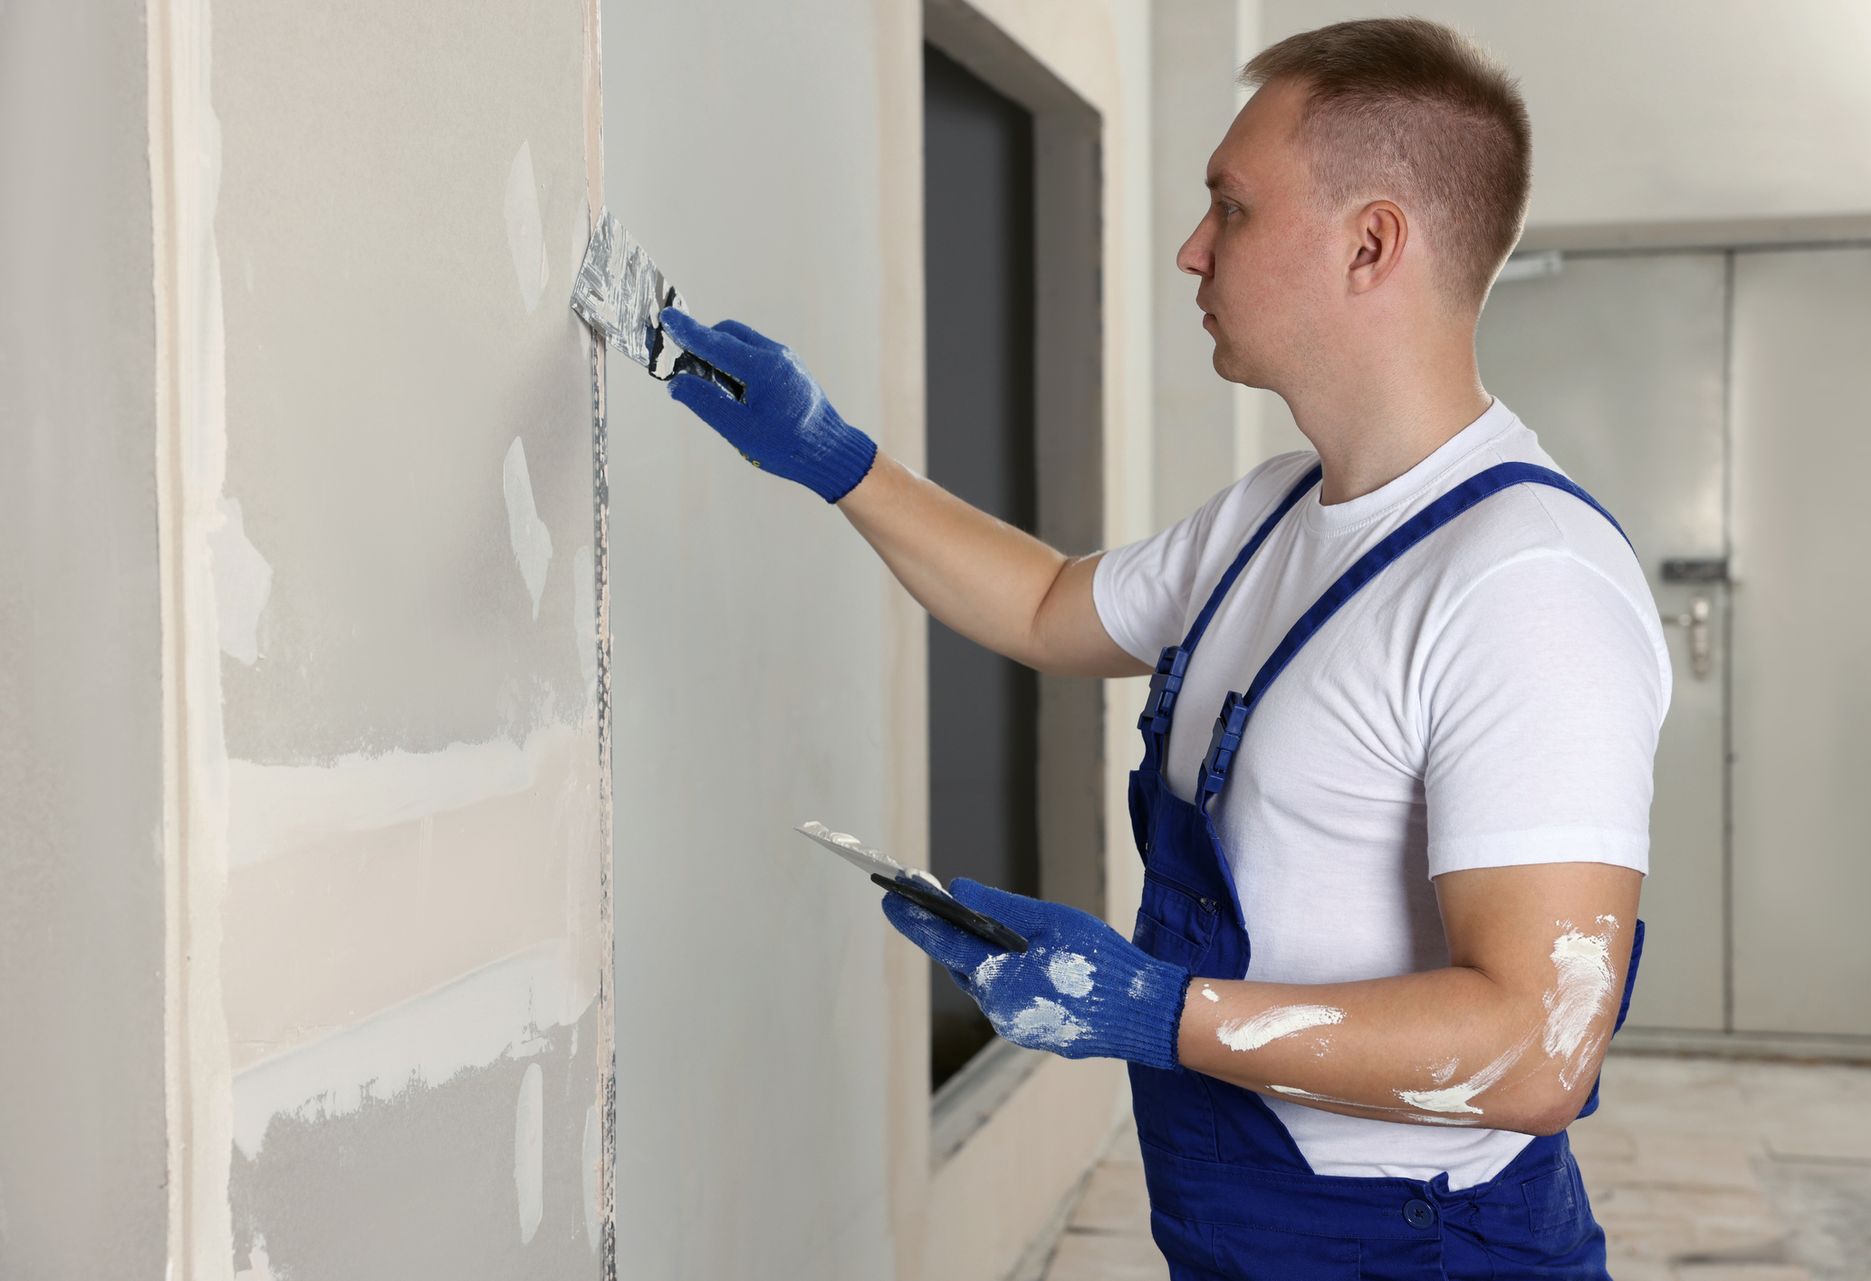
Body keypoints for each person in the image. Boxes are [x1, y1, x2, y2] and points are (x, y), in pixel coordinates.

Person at [660, 16, 1669, 1279]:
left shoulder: (1527, 585)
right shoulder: (1270, 517)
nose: (1192, 250)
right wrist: (832, 459)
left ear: (1372, 244)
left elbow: (1538, 1046)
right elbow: (1045, 610)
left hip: (1416, 1251)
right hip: (1235, 1215)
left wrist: (1152, 1009)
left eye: (1231, 209)